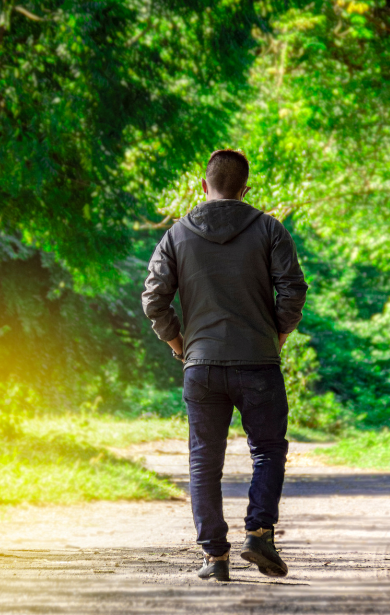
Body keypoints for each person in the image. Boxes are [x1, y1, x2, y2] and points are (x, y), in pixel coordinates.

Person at [142, 149, 308, 582]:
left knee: (203, 461)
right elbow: (292, 290)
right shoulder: (270, 229)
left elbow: (153, 297)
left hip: (202, 365)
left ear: (204, 186)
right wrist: (278, 335)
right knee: (269, 451)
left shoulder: (177, 234)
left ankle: (215, 558)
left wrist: (179, 343)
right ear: (245, 189)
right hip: (259, 363)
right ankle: (259, 532)